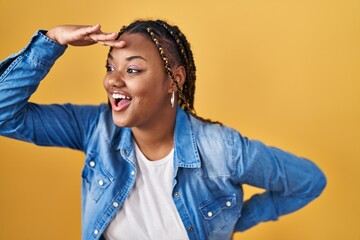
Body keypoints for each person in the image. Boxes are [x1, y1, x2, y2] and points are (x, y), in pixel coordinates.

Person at [0, 19, 326, 240]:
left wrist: (234, 220)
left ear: (174, 79)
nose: (113, 80)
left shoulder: (222, 150)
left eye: (132, 69)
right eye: (110, 67)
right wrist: (52, 41)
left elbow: (308, 181)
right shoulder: (95, 128)